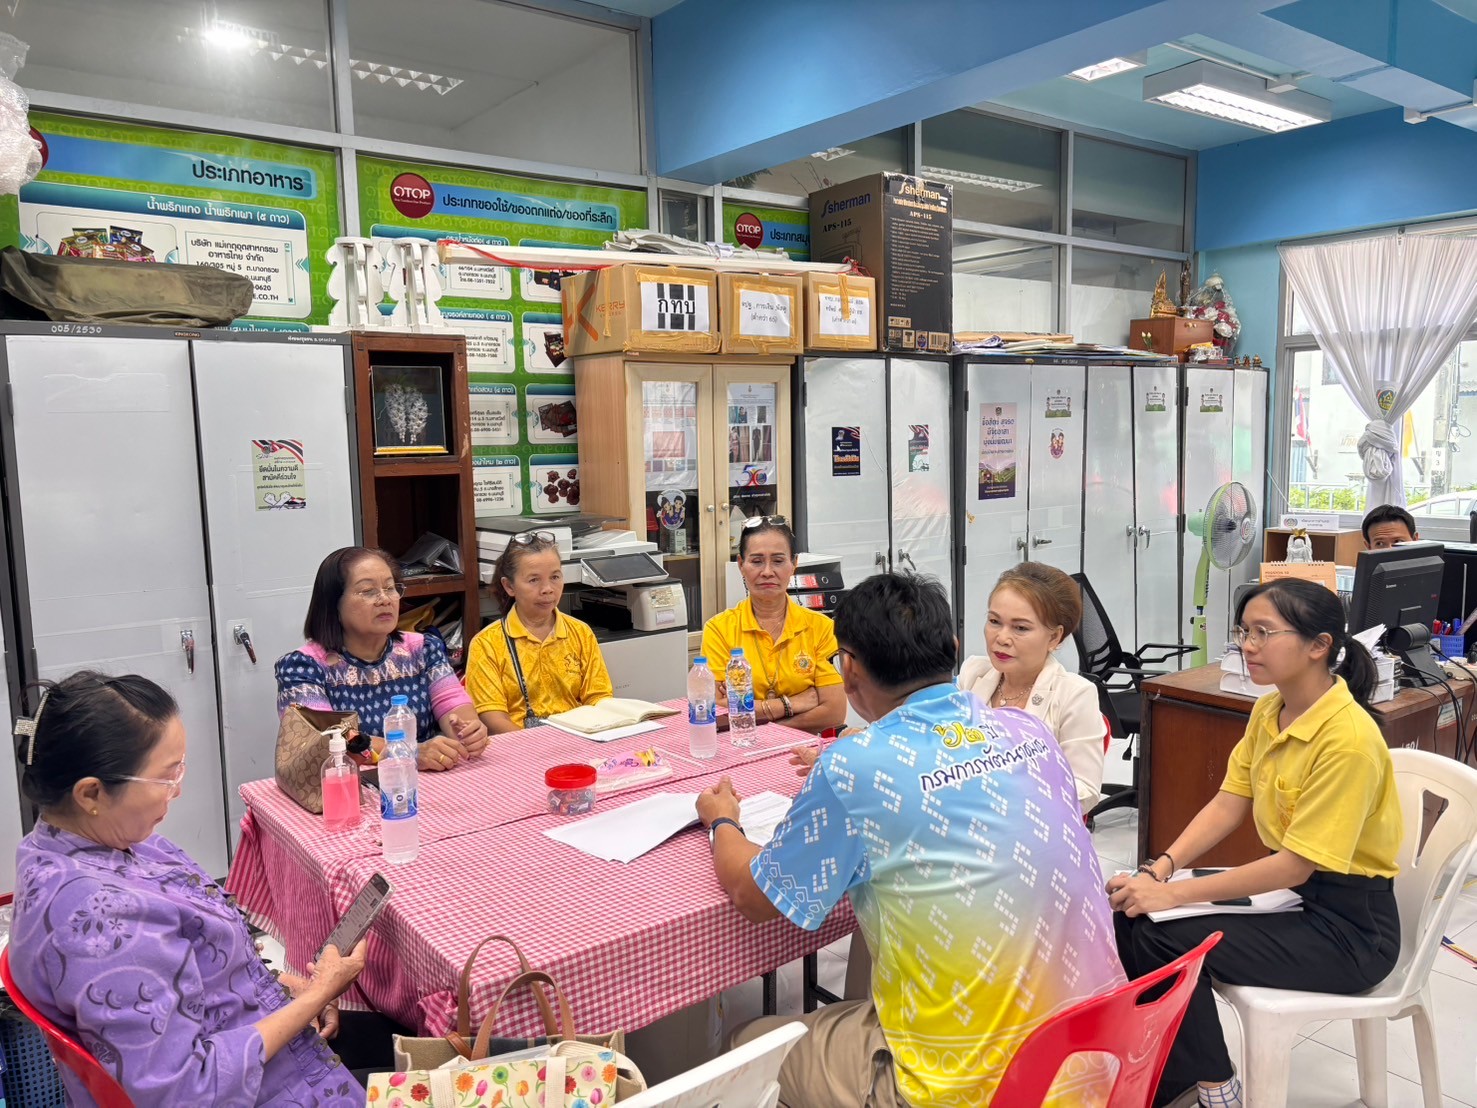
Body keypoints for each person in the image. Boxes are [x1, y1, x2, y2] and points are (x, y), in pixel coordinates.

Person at [699, 572, 1125, 1108]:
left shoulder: (853, 767)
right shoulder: (1029, 733)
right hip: (1097, 1056)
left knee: (745, 1048)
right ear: (952, 649)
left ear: (849, 669)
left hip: (972, 1087)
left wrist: (722, 820)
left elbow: (752, 894)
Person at [7, 671, 387, 1105]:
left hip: (245, 1030)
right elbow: (187, 1089)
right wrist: (320, 992)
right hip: (260, 1087)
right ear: (91, 792)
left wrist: (287, 987)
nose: (178, 790)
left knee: (383, 1031)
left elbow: (194, 962)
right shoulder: (104, 921)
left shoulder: (56, 848)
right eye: (166, 778)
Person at [1109, 578, 1402, 1108]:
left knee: (1167, 939)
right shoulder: (1272, 710)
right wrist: (1160, 869)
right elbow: (1229, 801)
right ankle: (1174, 1080)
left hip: (1351, 931)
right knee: (1130, 914)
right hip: (1297, 900)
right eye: (1245, 631)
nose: (1248, 645)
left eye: (1265, 632)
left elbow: (1294, 866)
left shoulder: (1349, 740)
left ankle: (1215, 1089)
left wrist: (1172, 895)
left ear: (1320, 646)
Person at [276, 546, 488, 772]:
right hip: (351, 786)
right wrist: (409, 752)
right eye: (367, 591)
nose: (384, 599)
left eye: (390, 588)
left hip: (425, 780)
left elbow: (453, 706)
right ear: (333, 603)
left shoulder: (423, 648)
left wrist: (468, 733)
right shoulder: (302, 667)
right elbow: (327, 736)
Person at [957, 563, 1106, 813]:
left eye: (1020, 628)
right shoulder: (973, 673)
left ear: (1054, 637)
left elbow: (1085, 790)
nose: (1002, 638)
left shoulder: (1074, 694)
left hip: (1034, 828)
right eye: (994, 621)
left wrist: (1009, 803)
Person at [702, 517, 846, 734]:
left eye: (778, 561)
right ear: (741, 565)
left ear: (794, 564)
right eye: (757, 561)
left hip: (804, 747)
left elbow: (833, 713)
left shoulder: (821, 628)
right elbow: (715, 713)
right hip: (740, 747)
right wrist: (791, 704)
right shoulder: (719, 629)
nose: (767, 571)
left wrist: (754, 718)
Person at [465, 530, 613, 732]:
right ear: (509, 586)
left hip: (579, 737)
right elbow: (492, 715)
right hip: (519, 746)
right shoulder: (487, 643)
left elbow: (599, 697)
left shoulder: (581, 633)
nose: (548, 589)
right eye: (534, 580)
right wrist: (537, 745)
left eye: (555, 577)